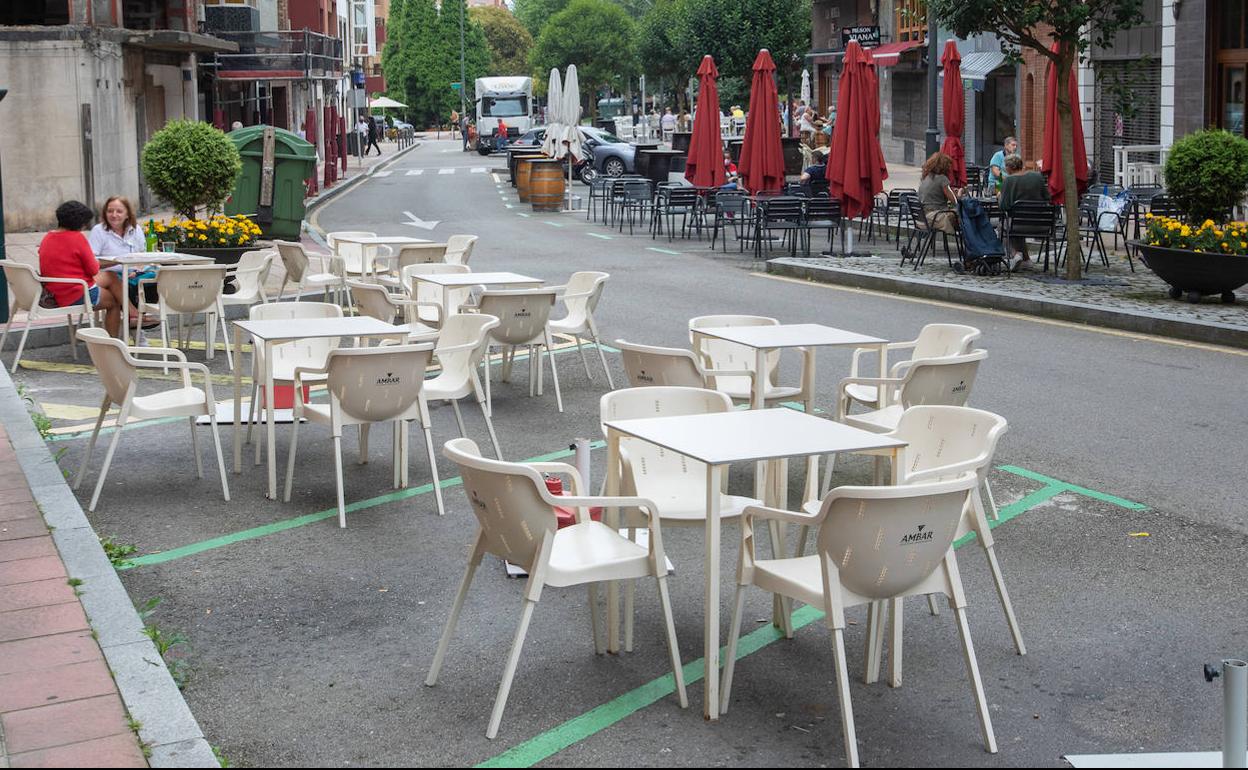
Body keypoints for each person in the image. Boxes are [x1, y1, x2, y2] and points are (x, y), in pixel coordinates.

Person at [39, 201, 121, 337]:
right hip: (75, 292)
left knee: (110, 276)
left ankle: (133, 314)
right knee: (113, 302)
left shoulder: (48, 237)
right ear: (79, 223)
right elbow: (93, 270)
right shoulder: (77, 238)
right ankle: (113, 343)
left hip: (55, 291)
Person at [998, 154, 1050, 271]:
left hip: (1018, 224)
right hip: (1042, 225)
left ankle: (1015, 254)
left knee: (1003, 227)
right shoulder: (1037, 177)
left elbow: (1004, 206)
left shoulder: (1009, 181)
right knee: (1016, 225)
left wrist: (1000, 197)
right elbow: (1048, 197)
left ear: (1009, 168)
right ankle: (1027, 260)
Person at [918, 151, 962, 235]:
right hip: (936, 217)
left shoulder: (925, 177)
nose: (950, 168)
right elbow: (955, 201)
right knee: (964, 214)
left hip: (922, 218)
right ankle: (970, 241)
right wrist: (960, 192)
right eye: (949, 165)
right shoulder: (942, 178)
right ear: (944, 166)